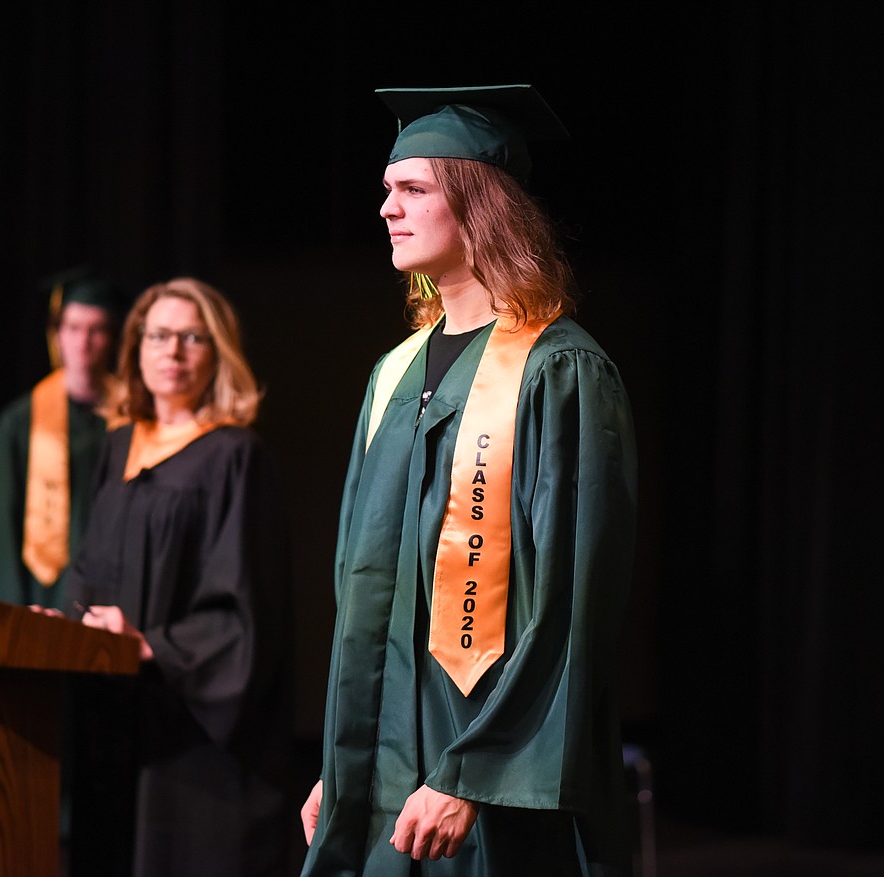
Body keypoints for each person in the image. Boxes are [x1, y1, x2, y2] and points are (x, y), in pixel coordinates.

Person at [299, 85, 639, 876]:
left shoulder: (559, 370)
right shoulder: (394, 375)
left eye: (414, 189)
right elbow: (369, 600)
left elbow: (571, 605)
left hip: (493, 792)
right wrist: (344, 764)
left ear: (481, 207)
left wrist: (473, 773)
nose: (388, 207)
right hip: (390, 783)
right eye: (387, 189)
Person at [63, 277, 293, 877]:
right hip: (115, 722)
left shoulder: (235, 456)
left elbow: (246, 609)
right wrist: (68, 624)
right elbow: (88, 568)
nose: (173, 351)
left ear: (218, 353)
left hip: (192, 736)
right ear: (136, 348)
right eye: (159, 335)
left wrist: (150, 644)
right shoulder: (117, 447)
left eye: (193, 337)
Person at [0, 266, 125, 610]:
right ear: (57, 335)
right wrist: (11, 608)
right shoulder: (21, 421)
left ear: (112, 338)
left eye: (96, 330)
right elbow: (0, 527)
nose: (83, 342)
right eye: (73, 328)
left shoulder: (130, 419)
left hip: (110, 597)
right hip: (38, 595)